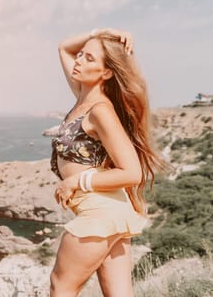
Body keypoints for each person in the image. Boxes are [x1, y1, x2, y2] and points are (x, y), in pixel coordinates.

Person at [49, 28, 166, 296]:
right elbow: (64, 47)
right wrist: (101, 32)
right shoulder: (81, 96)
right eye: (81, 56)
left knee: (61, 285)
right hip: (113, 209)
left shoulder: (100, 110)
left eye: (89, 58)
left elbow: (132, 173)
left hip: (99, 213)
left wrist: (77, 180)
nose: (79, 60)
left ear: (106, 73)